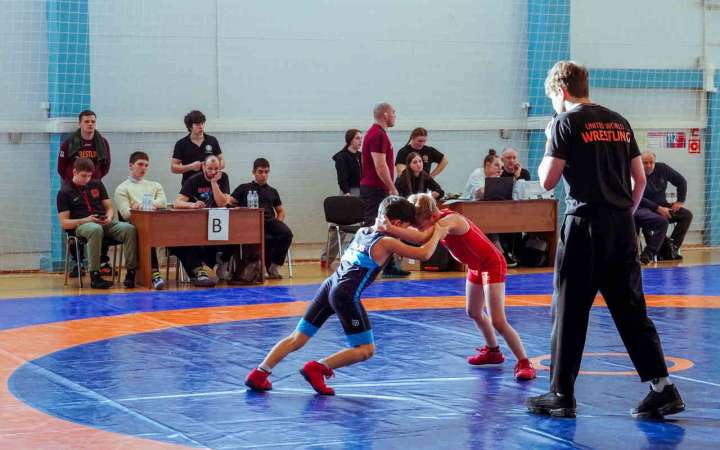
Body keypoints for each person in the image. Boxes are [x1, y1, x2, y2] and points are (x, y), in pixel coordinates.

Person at [526, 61, 684, 419]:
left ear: (561, 91)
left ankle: (561, 394)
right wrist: (625, 213)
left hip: (584, 225)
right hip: (622, 227)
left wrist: (550, 136)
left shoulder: (565, 122)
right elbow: (639, 179)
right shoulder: (618, 121)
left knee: (568, 310)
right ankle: (663, 388)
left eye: (552, 98)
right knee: (631, 309)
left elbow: (547, 181)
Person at [244, 196, 449, 395]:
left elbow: (417, 237)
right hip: (345, 294)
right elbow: (424, 253)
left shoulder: (362, 231)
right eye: (405, 226)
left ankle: (259, 373)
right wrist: (439, 232)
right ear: (396, 224)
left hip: (329, 285)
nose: (407, 231)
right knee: (366, 349)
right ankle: (318, 368)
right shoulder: (386, 242)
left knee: (297, 337)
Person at [381, 193, 536, 381]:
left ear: (432, 216)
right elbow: (418, 233)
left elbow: (421, 238)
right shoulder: (433, 221)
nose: (419, 228)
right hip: (475, 266)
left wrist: (391, 229)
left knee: (498, 320)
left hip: (491, 264)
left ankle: (524, 362)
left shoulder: (450, 220)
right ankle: (493, 351)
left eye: (420, 225)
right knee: (474, 312)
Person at [56, 158, 137, 289]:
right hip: (82, 225)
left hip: (102, 222)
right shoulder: (64, 192)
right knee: (95, 229)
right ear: (74, 172)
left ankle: (131, 273)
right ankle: (95, 276)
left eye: (89, 176)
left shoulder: (97, 184)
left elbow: (109, 208)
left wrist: (109, 217)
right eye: (83, 176)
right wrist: (86, 220)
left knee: (129, 229)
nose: (87, 179)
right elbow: (65, 223)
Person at [57, 110, 113, 277]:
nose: (90, 124)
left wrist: (93, 180)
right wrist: (74, 181)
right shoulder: (68, 143)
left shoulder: (102, 142)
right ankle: (78, 263)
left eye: (93, 121)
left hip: (94, 187)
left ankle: (102, 261)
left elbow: (106, 166)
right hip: (74, 188)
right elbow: (61, 167)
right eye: (87, 121)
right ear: (80, 123)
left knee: (100, 220)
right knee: (75, 224)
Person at [359, 102, 409, 278]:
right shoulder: (378, 135)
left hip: (376, 187)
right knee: (373, 226)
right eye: (393, 112)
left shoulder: (377, 133)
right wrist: (392, 187)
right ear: (386, 114)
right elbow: (380, 165)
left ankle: (388, 265)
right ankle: (362, 266)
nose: (395, 116)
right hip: (374, 188)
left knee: (386, 226)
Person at [171, 154, 233, 287]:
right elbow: (177, 203)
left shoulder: (223, 178)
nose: (213, 172)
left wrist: (214, 183)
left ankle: (222, 261)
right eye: (210, 168)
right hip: (196, 224)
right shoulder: (193, 180)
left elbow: (222, 203)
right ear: (203, 166)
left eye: (216, 169)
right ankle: (201, 268)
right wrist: (192, 205)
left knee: (236, 233)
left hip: (217, 222)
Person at [230, 158, 293, 280]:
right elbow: (230, 203)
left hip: (269, 221)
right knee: (262, 238)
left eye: (266, 172)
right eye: (260, 172)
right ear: (254, 172)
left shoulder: (272, 191)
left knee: (287, 234)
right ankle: (258, 267)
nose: (264, 175)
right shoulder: (244, 188)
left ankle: (274, 266)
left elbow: (281, 210)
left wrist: (279, 223)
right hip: (250, 224)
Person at [114, 151, 168, 289]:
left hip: (156, 224)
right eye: (140, 164)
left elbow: (163, 202)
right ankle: (155, 273)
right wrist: (151, 205)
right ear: (131, 166)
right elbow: (126, 214)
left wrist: (141, 205)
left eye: (146, 165)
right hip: (136, 227)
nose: (143, 168)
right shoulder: (122, 188)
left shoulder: (155, 185)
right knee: (145, 232)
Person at [635, 151, 693, 263]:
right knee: (649, 222)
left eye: (651, 162)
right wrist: (658, 208)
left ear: (655, 162)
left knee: (687, 215)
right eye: (645, 163)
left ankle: (672, 247)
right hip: (645, 209)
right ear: (640, 163)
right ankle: (654, 252)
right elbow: (639, 198)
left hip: (664, 206)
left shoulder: (662, 168)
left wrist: (680, 201)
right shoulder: (636, 173)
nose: (649, 165)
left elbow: (681, 182)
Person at [320, 129, 363, 268]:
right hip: (348, 192)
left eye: (361, 138)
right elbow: (342, 178)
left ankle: (352, 254)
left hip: (362, 191)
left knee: (364, 225)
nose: (360, 141)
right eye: (357, 138)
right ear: (350, 140)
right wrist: (347, 193)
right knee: (340, 227)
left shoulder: (361, 156)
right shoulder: (341, 157)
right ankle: (326, 257)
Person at [171, 110, 224, 186]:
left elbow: (222, 162)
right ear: (190, 126)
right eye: (197, 124)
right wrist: (191, 167)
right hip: (190, 186)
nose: (201, 127)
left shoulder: (212, 140)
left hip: (211, 185)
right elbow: (173, 168)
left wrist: (211, 168)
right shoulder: (181, 144)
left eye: (202, 123)